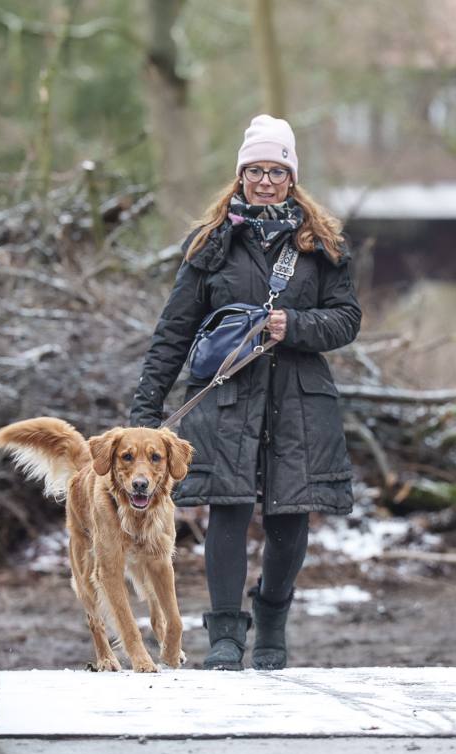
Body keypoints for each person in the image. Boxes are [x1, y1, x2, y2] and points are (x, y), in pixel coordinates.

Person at [130, 114, 362, 670]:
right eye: (254, 170)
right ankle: (225, 638)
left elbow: (347, 319)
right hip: (226, 401)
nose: (264, 181)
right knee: (227, 514)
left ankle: (273, 621)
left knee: (290, 518)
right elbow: (174, 332)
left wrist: (296, 326)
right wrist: (146, 410)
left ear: (291, 177)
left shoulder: (322, 244)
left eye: (276, 171)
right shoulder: (210, 244)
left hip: (300, 404)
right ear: (239, 176)